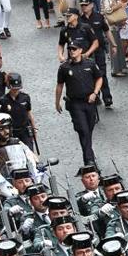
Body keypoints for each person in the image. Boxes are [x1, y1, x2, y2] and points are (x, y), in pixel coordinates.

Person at [54, 39, 102, 167]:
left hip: (89, 101)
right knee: (83, 130)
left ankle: (88, 153)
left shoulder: (90, 64)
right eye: (69, 49)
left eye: (74, 49)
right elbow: (59, 85)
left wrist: (95, 93)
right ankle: (89, 160)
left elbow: (99, 78)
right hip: (75, 104)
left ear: (81, 50)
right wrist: (57, 102)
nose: (71, 51)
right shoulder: (64, 67)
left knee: (89, 129)